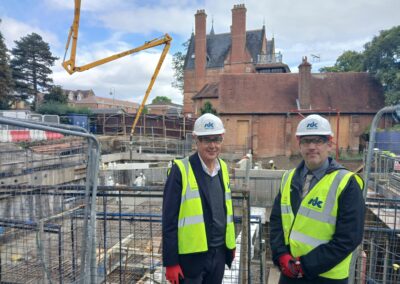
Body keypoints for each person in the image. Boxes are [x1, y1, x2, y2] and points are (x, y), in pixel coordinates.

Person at [269, 114, 365, 284]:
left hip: (327, 277)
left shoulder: (346, 183)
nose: (312, 147)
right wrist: (281, 254)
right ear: (299, 145)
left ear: (329, 144)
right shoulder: (288, 178)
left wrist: (304, 265)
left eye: (318, 141)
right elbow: (277, 221)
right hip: (290, 271)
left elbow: (349, 238)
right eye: (306, 141)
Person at [162, 113, 236, 284]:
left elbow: (226, 210)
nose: (212, 145)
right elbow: (169, 220)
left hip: (218, 254)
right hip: (190, 260)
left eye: (216, 139)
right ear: (196, 140)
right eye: (206, 140)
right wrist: (171, 262)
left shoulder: (223, 168)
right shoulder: (180, 170)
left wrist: (229, 245)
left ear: (222, 139)